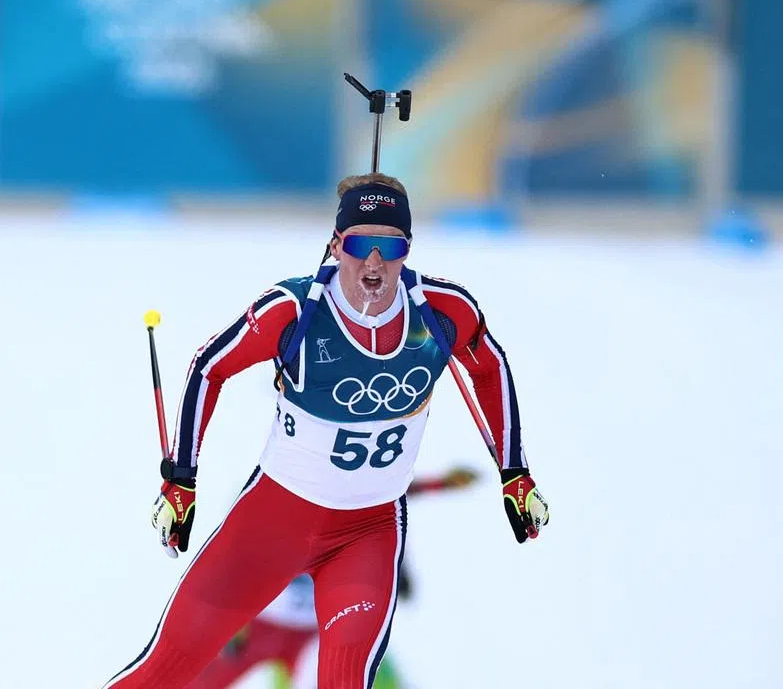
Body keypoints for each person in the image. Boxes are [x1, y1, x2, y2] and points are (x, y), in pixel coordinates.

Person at [104, 173, 549, 688]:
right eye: (361, 243)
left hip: (367, 532)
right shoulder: (295, 310)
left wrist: (514, 473)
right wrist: (181, 479)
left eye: (391, 245)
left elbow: (488, 368)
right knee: (166, 672)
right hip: (272, 523)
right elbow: (209, 366)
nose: (375, 262)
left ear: (408, 249)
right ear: (338, 245)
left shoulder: (445, 312)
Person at [187, 467, 479, 689]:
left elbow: (392, 498)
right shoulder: (277, 498)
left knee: (362, 670)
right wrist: (233, 622)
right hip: (261, 625)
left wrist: (397, 571)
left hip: (316, 629)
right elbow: (236, 557)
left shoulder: (349, 501)